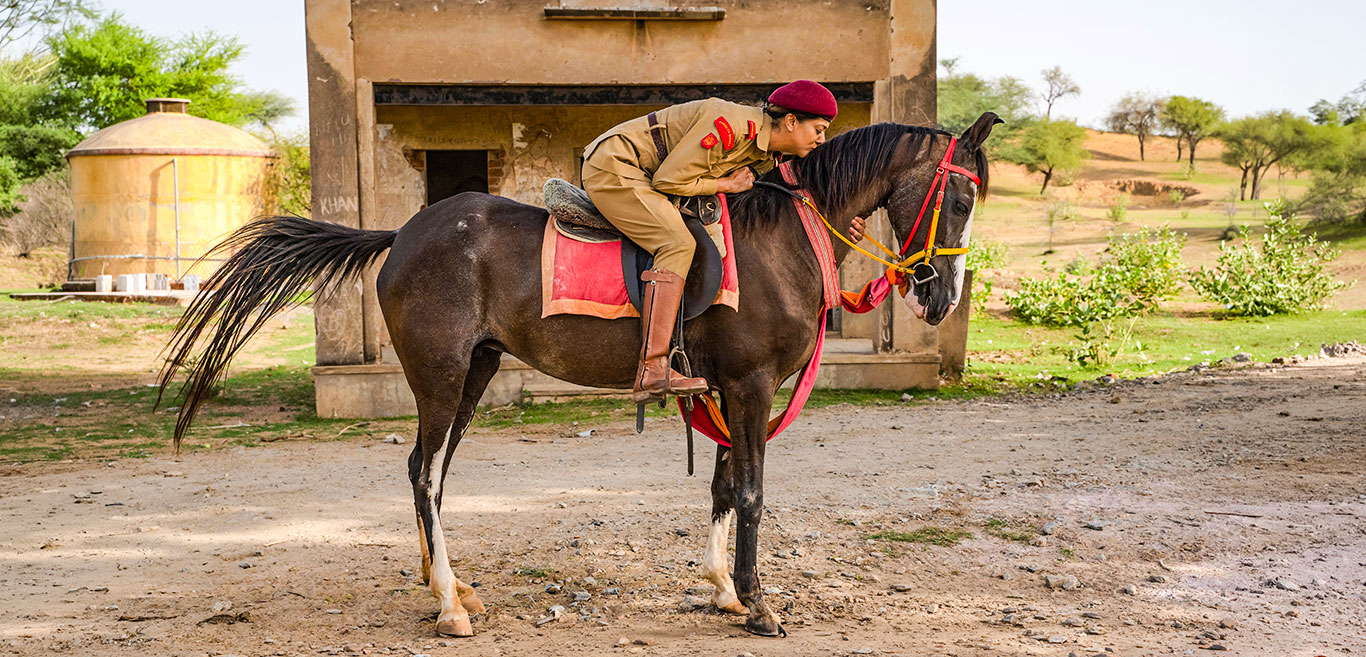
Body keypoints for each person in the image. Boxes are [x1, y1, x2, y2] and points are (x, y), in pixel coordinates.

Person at [581, 80, 862, 403]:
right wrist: (726, 184)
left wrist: (845, 227)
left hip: (645, 173)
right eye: (818, 129)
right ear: (790, 121)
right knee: (677, 245)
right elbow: (668, 180)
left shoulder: (769, 151)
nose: (821, 139)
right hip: (617, 167)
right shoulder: (729, 126)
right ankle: (653, 368)